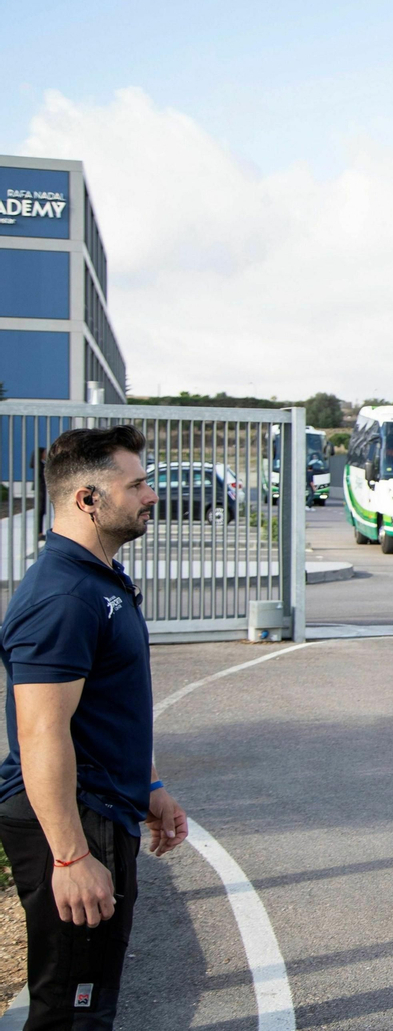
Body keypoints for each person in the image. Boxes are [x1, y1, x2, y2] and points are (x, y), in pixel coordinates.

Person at [0, 426, 188, 1029]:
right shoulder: (64, 596)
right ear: (88, 499)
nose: (149, 496)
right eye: (135, 485)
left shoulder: (100, 579)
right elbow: (41, 733)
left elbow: (112, 703)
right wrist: (70, 857)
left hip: (103, 805)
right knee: (71, 1009)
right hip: (74, 819)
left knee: (92, 994)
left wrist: (150, 784)